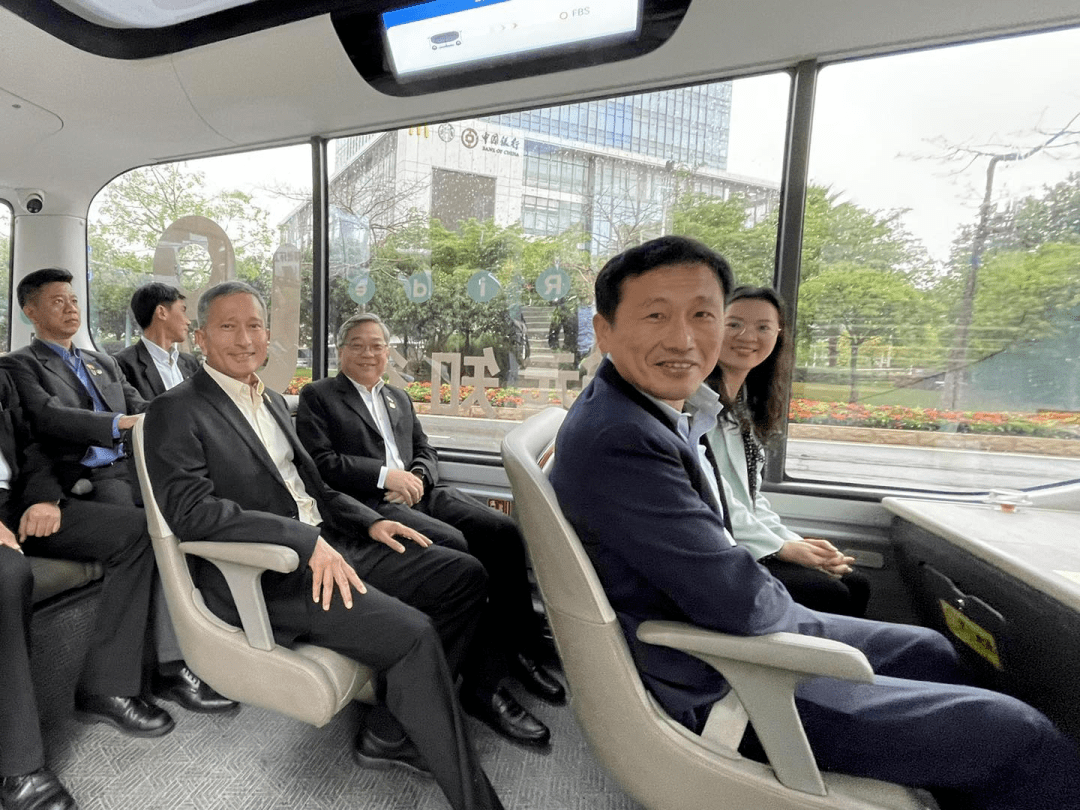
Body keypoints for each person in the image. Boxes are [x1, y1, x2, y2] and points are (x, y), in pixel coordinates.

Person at [549, 235, 1080, 809]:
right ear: (604, 332)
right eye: (655, 315)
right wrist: (802, 624)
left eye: (702, 315)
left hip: (725, 638)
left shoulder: (651, 412)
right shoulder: (622, 439)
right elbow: (734, 604)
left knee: (930, 649)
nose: (682, 339)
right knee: (1019, 736)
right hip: (722, 677)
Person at [143, 281, 505, 810]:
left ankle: (389, 729)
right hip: (271, 572)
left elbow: (315, 488)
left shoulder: (269, 399)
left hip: (333, 543)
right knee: (413, 633)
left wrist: (370, 523)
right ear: (200, 338)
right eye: (228, 327)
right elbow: (192, 513)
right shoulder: (175, 410)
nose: (244, 340)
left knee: (464, 576)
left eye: (254, 326)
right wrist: (302, 541)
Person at [296, 313, 562, 749]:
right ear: (341, 351)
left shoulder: (397, 396)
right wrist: (387, 476)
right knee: (460, 552)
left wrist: (418, 474)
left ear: (388, 352)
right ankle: (482, 686)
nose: (368, 353)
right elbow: (321, 464)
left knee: (502, 533)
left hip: (421, 493)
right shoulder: (319, 396)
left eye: (377, 345)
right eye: (357, 345)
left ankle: (518, 649)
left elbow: (424, 449)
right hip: (373, 503)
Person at [0, 268, 235, 717]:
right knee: (149, 533)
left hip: (133, 468)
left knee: (196, 512)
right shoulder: (19, 366)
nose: (71, 308)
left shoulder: (102, 362)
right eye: (57, 301)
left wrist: (192, 415)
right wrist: (118, 424)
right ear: (30, 311)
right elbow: (47, 418)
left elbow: (142, 406)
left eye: (73, 300)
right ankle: (170, 666)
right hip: (89, 478)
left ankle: (209, 643)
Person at [708, 285, 870, 616]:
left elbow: (750, 498)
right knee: (831, 593)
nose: (747, 336)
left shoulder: (743, 406)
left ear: (778, 334)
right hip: (721, 546)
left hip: (745, 538)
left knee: (856, 582)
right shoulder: (694, 404)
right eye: (734, 324)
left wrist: (796, 543)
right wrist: (781, 547)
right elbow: (713, 493)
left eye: (763, 327)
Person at [114, 282, 200, 400]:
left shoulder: (190, 363)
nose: (188, 321)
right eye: (183, 310)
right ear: (162, 312)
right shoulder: (122, 365)